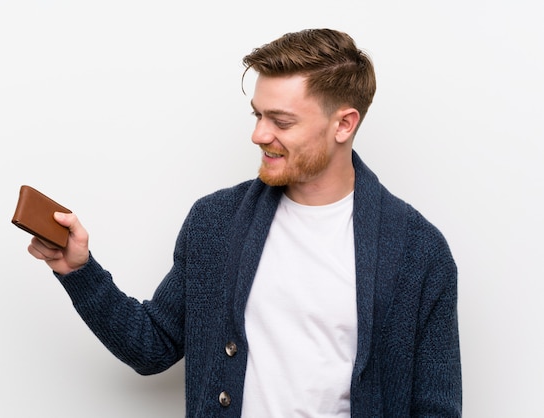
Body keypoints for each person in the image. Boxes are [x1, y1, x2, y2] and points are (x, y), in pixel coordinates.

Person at [27, 28, 462, 417]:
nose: (259, 135)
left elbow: (437, 407)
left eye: (282, 121)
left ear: (344, 124)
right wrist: (79, 271)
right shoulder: (215, 221)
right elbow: (152, 346)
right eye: (258, 114)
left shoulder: (418, 251)